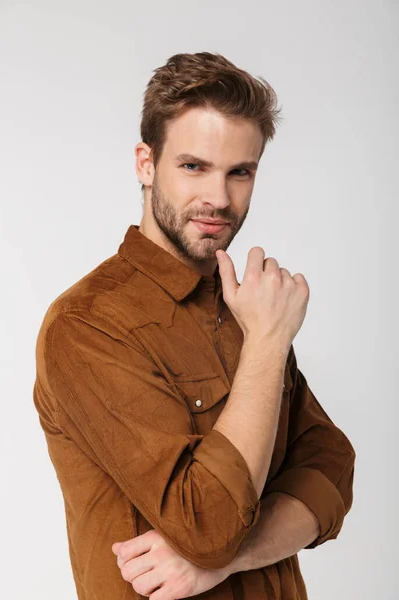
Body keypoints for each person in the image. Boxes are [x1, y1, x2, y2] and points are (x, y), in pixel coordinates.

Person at [33, 51, 356, 600]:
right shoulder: (87, 325)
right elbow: (207, 526)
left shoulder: (247, 310)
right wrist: (270, 343)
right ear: (145, 163)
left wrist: (232, 560)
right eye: (193, 167)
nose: (219, 198)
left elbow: (331, 470)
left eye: (240, 172)